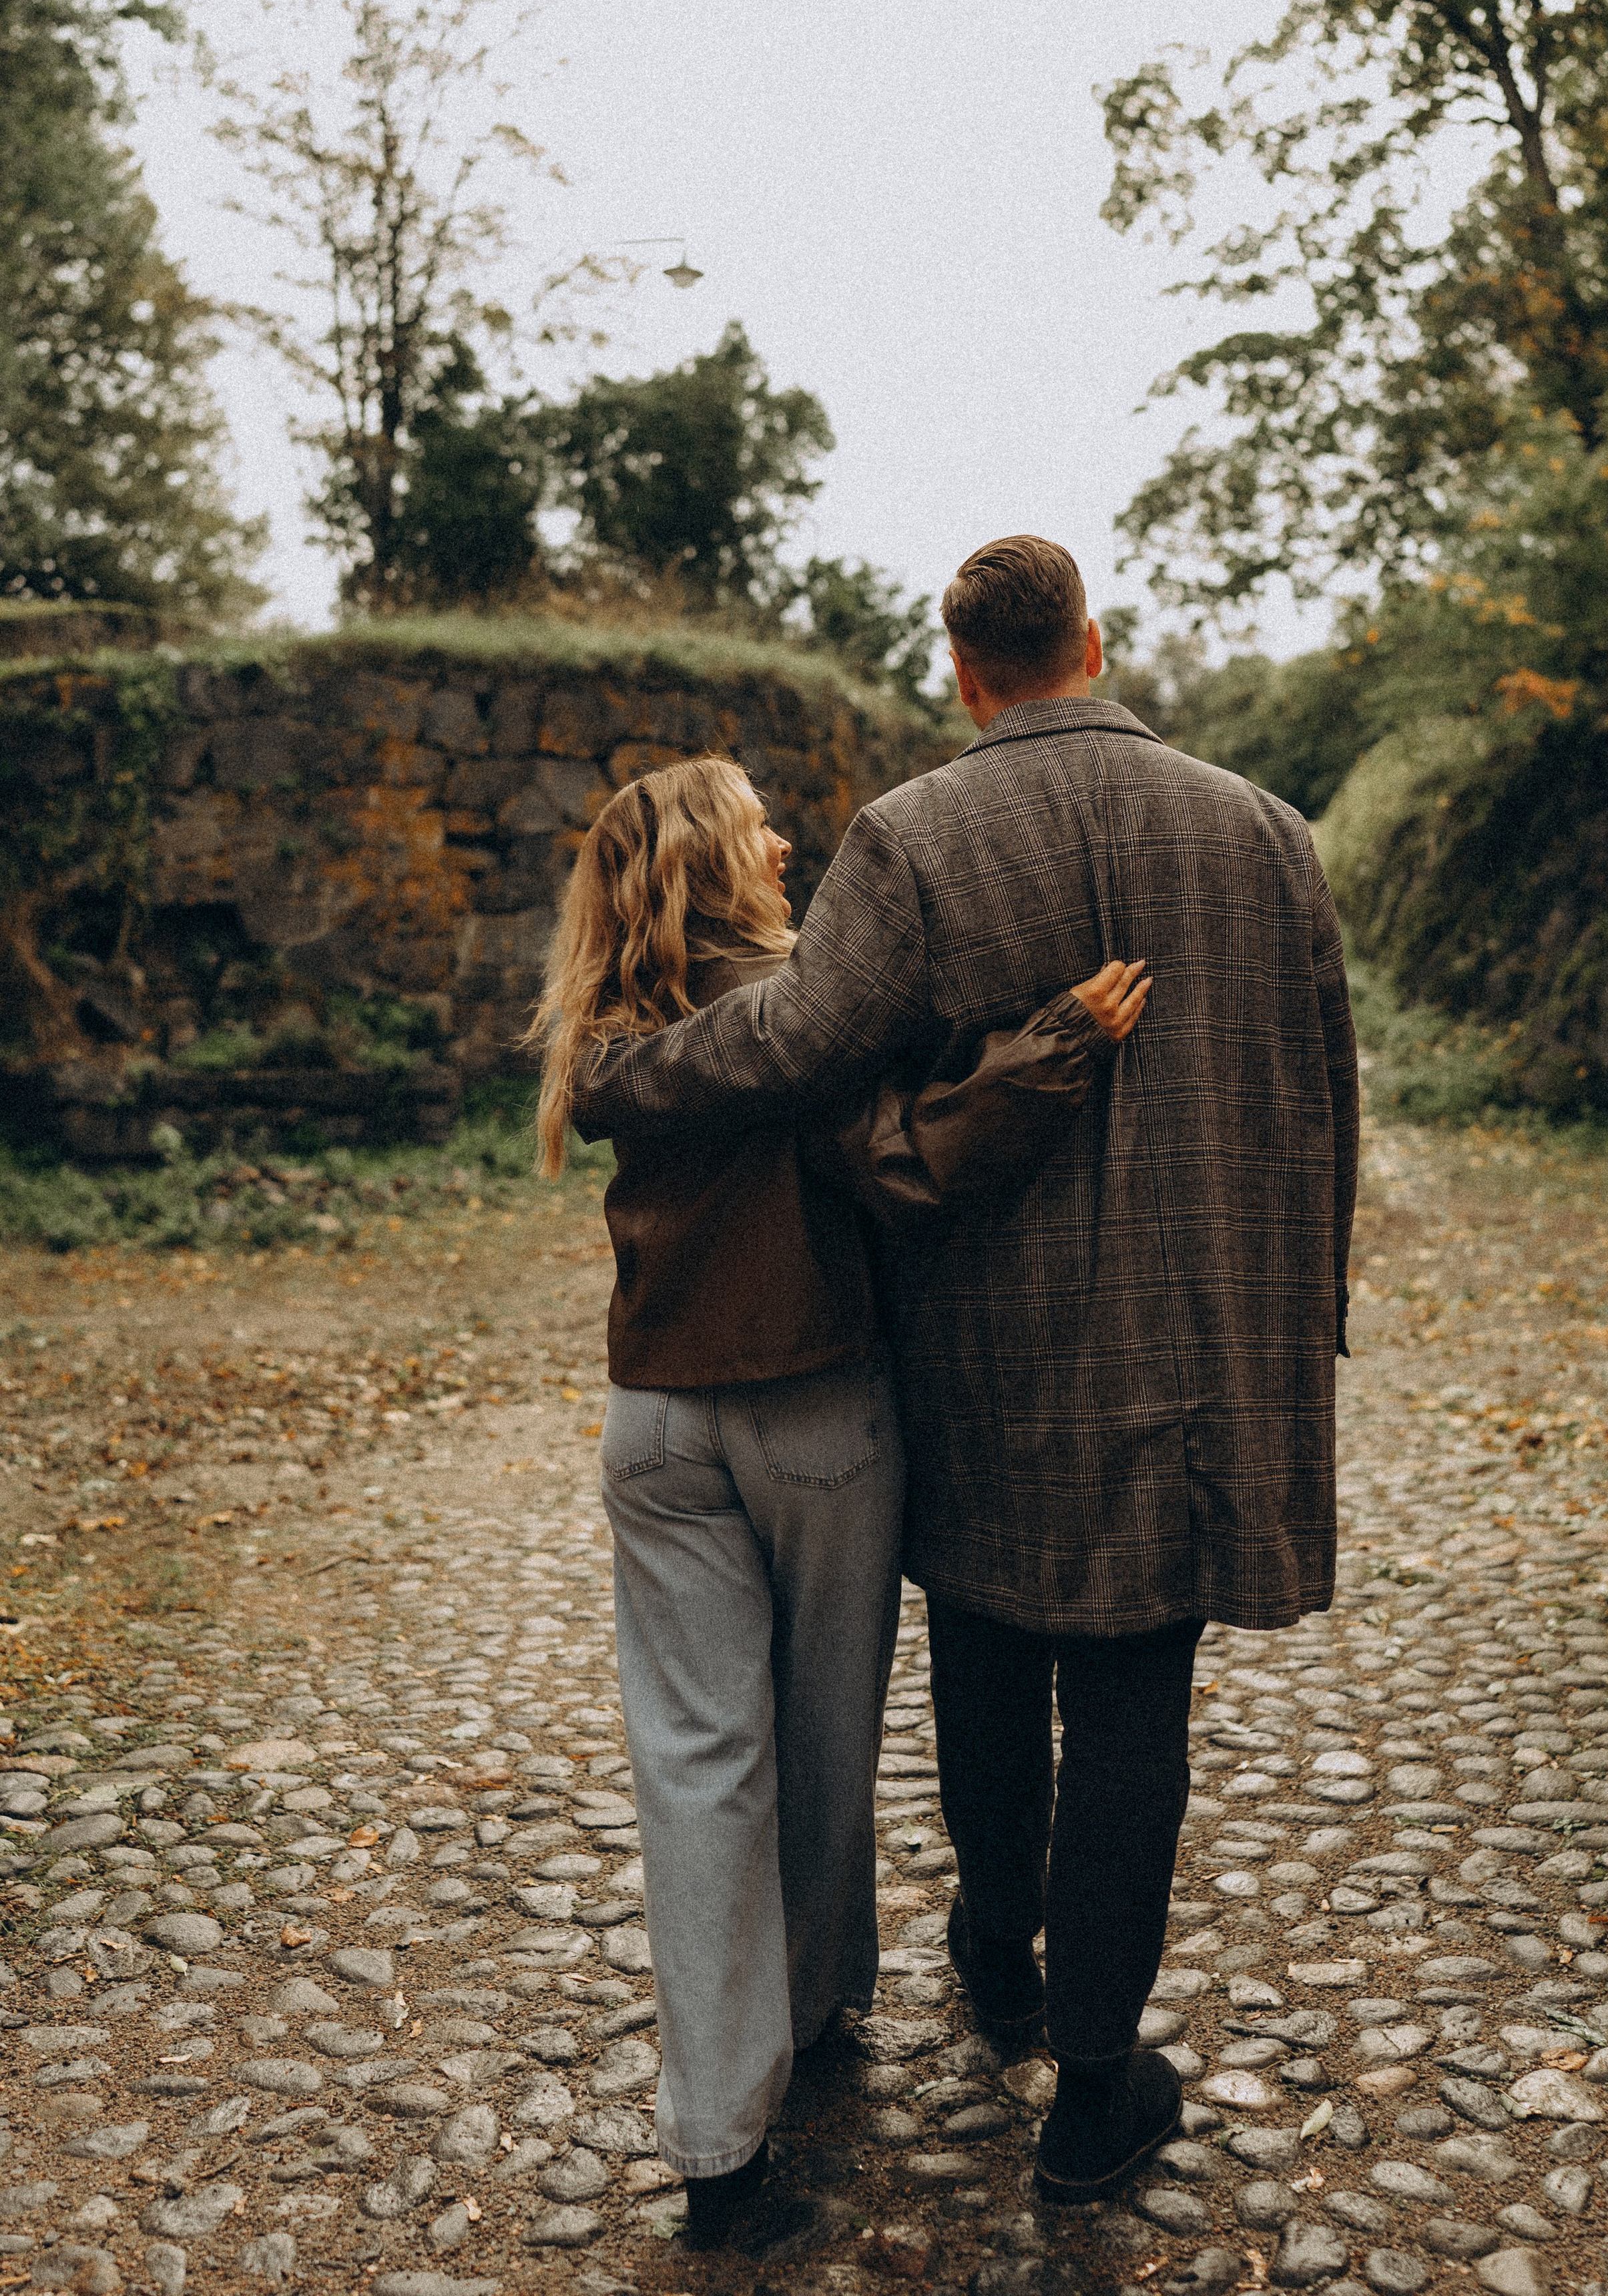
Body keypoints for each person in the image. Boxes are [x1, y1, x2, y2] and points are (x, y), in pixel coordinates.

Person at [571, 537, 1360, 2206]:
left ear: (960, 666)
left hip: (986, 1353)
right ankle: (1089, 2087)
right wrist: (1302, 1326)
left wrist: (626, 1074)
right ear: (1091, 640)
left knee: (991, 1661)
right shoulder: (1262, 835)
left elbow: (794, 1042)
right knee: (1138, 1695)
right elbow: (1321, 1101)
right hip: (1203, 1347)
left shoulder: (912, 838)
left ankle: (994, 1955)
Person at [528, 754, 1151, 2244]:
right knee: (816, 1744)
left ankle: (716, 2149)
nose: (782, 836)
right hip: (810, 1405)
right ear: (710, 858)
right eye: (757, 825)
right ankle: (808, 2013)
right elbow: (914, 1164)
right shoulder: (807, 1010)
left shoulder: (611, 1018)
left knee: (693, 1769)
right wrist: (1054, 1046)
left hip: (652, 1422)